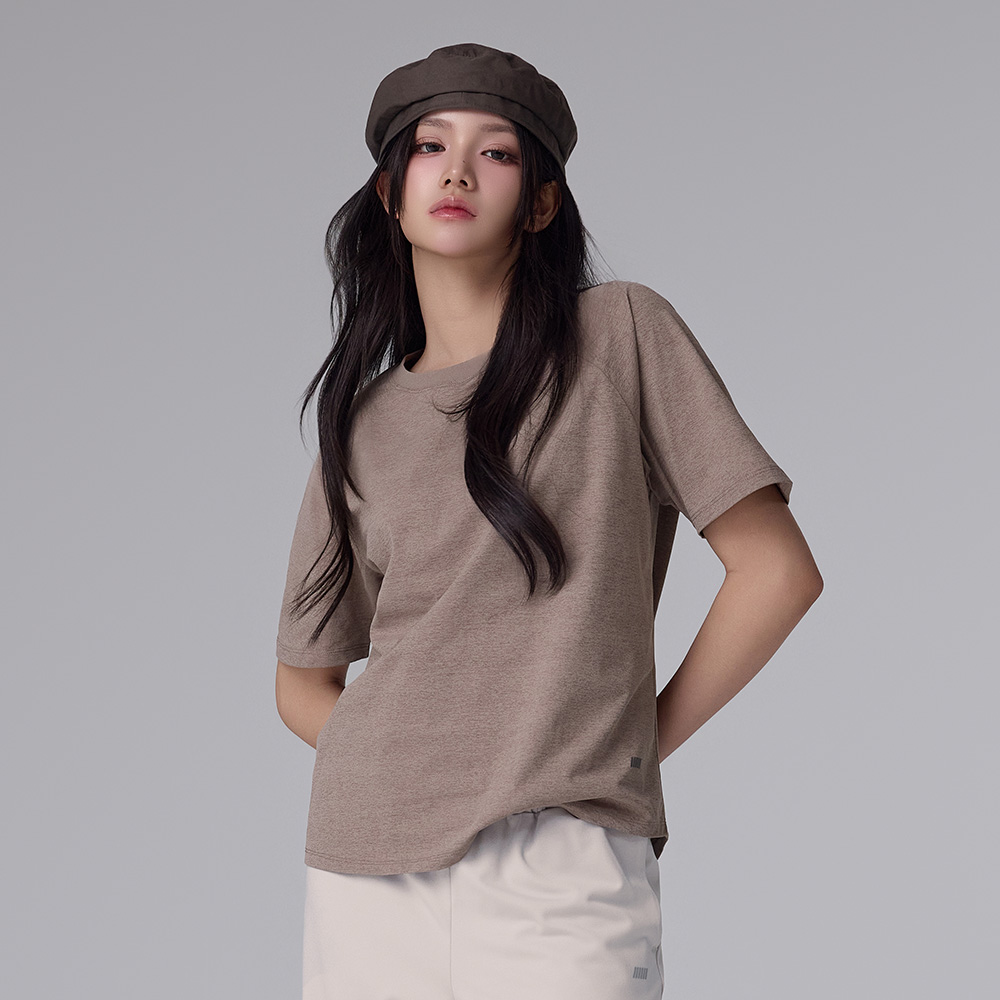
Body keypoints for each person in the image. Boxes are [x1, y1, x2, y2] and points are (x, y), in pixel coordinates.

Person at [273, 41, 823, 1000]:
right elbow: (301, 682)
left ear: (539, 202)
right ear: (390, 193)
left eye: (495, 152)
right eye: (430, 147)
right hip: (367, 867)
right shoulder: (362, 424)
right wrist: (405, 758)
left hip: (560, 861)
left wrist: (618, 747)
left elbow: (778, 573)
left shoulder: (621, 334)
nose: (455, 171)